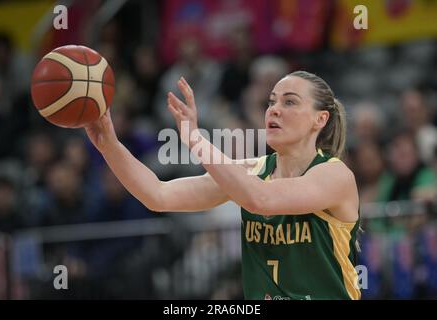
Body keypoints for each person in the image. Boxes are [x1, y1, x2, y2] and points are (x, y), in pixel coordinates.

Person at [84, 70, 361, 300]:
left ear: (320, 119)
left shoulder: (334, 176)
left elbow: (261, 199)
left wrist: (195, 139)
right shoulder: (251, 171)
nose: (274, 110)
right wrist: (109, 145)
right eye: (271, 102)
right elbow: (159, 195)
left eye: (289, 102)